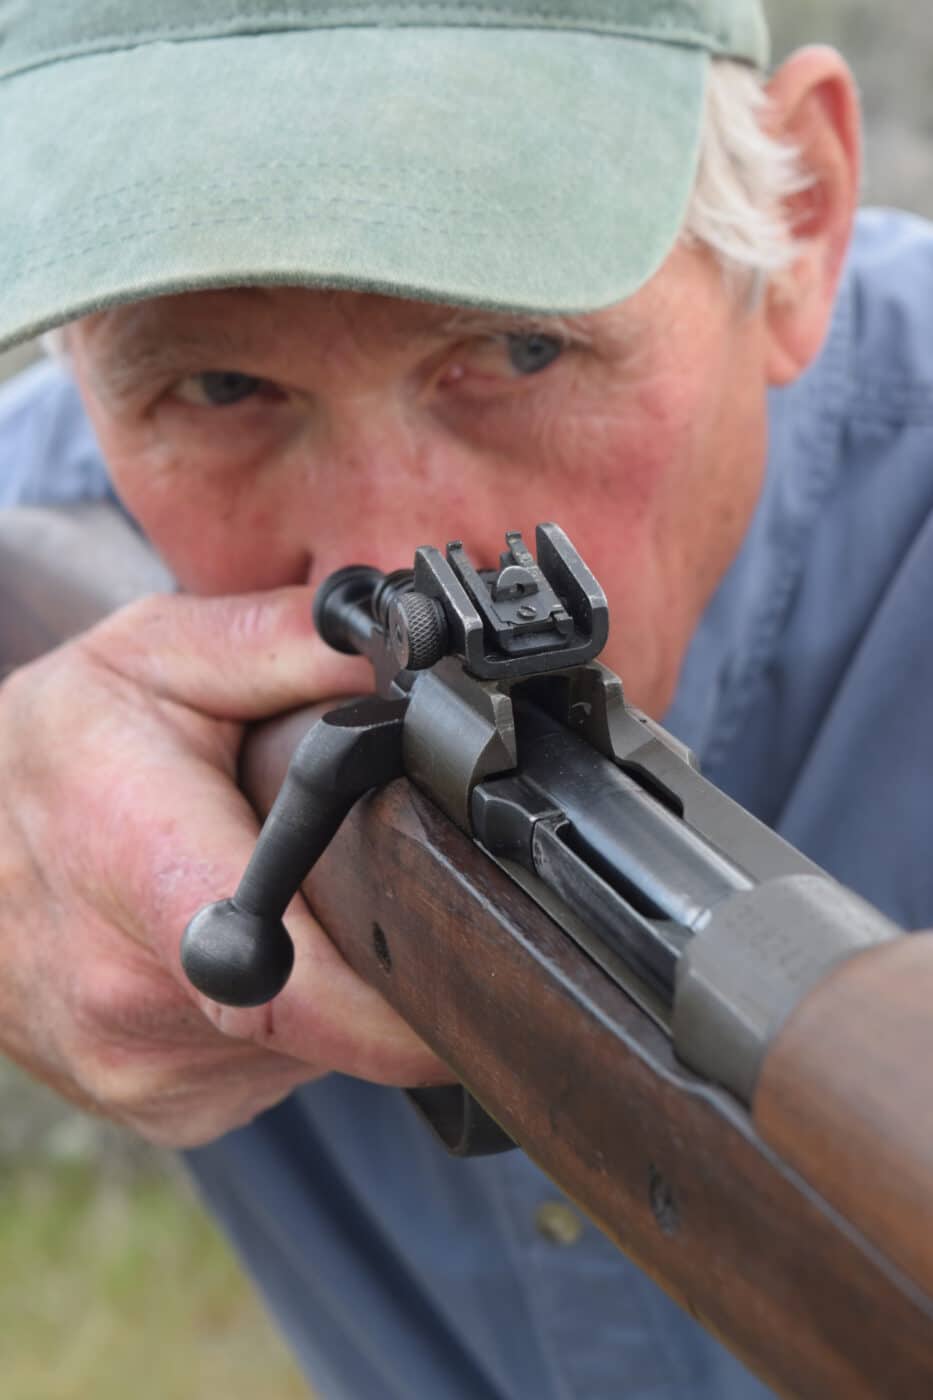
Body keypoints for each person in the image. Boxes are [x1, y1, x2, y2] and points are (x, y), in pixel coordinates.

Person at [2, 1, 931, 1395]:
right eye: (219, 383)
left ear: (797, 218)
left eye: (519, 352)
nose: (383, 554)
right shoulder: (46, 521)